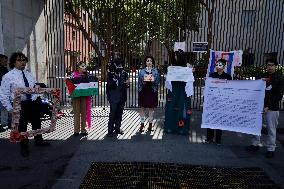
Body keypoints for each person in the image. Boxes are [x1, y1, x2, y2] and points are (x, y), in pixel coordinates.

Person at [0, 52, 50, 157]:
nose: (22, 62)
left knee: (37, 122)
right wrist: (10, 108)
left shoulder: (29, 74)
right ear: (13, 62)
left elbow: (35, 86)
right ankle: (24, 146)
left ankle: (38, 140)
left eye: (24, 60)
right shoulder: (8, 76)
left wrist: (36, 96)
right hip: (20, 104)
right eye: (19, 60)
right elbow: (4, 94)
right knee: (22, 126)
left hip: (33, 102)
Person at [246, 59, 284, 158]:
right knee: (256, 126)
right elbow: (255, 89)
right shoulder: (261, 77)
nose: (270, 67)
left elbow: (279, 95)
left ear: (276, 66)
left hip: (272, 108)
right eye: (268, 65)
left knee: (271, 129)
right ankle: (255, 144)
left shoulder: (279, 78)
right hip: (259, 107)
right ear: (266, 66)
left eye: (272, 65)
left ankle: (271, 148)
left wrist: (268, 106)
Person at [164, 49, 192, 134]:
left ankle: (182, 129)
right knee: (171, 108)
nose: (175, 57)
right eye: (175, 55)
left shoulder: (187, 66)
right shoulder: (172, 67)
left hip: (183, 90)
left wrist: (190, 71)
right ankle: (171, 127)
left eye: (177, 56)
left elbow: (190, 80)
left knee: (182, 108)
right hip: (174, 90)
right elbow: (168, 80)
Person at [206, 58, 232, 144]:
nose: (217, 66)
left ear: (224, 66)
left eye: (220, 65)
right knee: (210, 118)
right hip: (212, 101)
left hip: (222, 102)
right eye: (216, 65)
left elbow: (231, 88)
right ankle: (209, 138)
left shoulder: (228, 77)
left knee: (219, 120)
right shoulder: (212, 75)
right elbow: (208, 86)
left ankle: (218, 139)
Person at [70, 61, 94, 136]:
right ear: (78, 67)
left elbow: (90, 84)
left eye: (85, 66)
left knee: (84, 113)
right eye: (82, 66)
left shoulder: (87, 75)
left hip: (84, 96)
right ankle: (76, 131)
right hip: (76, 96)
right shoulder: (73, 74)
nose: (84, 68)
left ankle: (83, 130)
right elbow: (70, 84)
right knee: (77, 113)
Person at [106, 58, 129, 137]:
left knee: (120, 113)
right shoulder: (110, 73)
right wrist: (114, 77)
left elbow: (126, 84)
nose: (120, 66)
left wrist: (127, 84)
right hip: (113, 97)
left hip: (122, 96)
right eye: (118, 65)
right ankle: (110, 130)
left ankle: (117, 128)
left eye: (121, 65)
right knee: (112, 113)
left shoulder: (125, 73)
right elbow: (109, 85)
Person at [138, 56, 160, 132]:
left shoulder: (156, 71)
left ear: (152, 62)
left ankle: (150, 124)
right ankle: (142, 124)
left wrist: (151, 79)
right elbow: (140, 81)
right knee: (142, 108)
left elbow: (157, 82)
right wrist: (146, 79)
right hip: (144, 90)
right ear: (145, 63)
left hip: (152, 91)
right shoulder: (142, 71)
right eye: (147, 61)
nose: (149, 62)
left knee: (151, 108)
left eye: (150, 61)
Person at [0, 54, 8, 132]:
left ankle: (4, 123)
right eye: (4, 61)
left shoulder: (4, 69)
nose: (6, 62)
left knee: (3, 108)